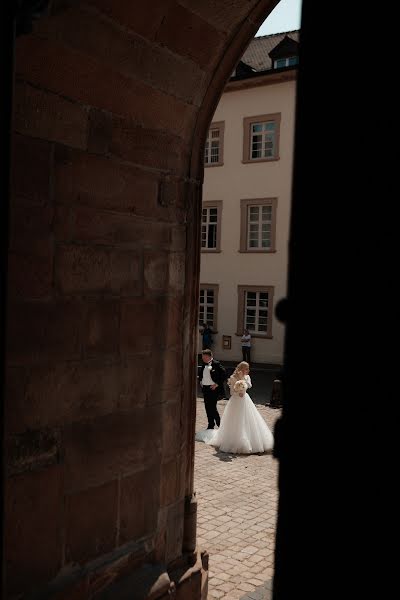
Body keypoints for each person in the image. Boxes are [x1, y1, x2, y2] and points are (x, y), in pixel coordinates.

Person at [196, 361, 274, 454]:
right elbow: (232, 392)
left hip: (245, 400)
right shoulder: (233, 378)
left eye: (248, 369)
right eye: (246, 369)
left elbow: (249, 385)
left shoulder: (247, 377)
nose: (248, 370)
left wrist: (242, 381)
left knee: (248, 419)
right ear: (241, 369)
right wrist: (238, 391)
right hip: (236, 401)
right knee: (236, 420)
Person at [197, 349, 227, 430]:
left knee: (213, 407)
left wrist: (217, 384)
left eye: (204, 357)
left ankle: (219, 424)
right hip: (205, 388)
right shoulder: (204, 364)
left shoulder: (216, 364)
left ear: (209, 356)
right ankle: (211, 424)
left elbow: (224, 375)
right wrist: (200, 381)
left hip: (213, 389)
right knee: (207, 407)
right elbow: (201, 374)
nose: (202, 358)